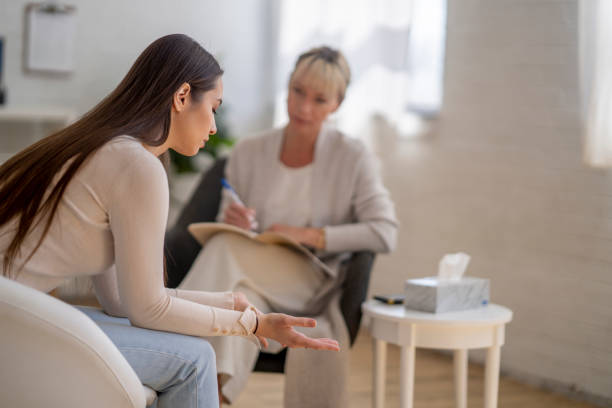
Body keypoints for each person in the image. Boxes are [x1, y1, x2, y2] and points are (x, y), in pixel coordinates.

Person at [0, 34, 340, 408]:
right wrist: (252, 326)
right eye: (213, 106)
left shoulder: (110, 147)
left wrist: (230, 304)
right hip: (9, 327)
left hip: (13, 315)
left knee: (192, 352)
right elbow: (147, 308)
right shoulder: (136, 167)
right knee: (195, 360)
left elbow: (121, 302)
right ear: (181, 97)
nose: (213, 126)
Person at [173, 46, 399, 407]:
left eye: (319, 99)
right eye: (297, 91)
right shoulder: (249, 151)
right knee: (241, 315)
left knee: (225, 250)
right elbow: (230, 212)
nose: (303, 107)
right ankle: (212, 399)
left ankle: (166, 332)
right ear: (288, 86)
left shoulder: (353, 156)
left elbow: (384, 230)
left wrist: (310, 236)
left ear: (336, 105)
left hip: (311, 280)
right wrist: (232, 219)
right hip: (252, 277)